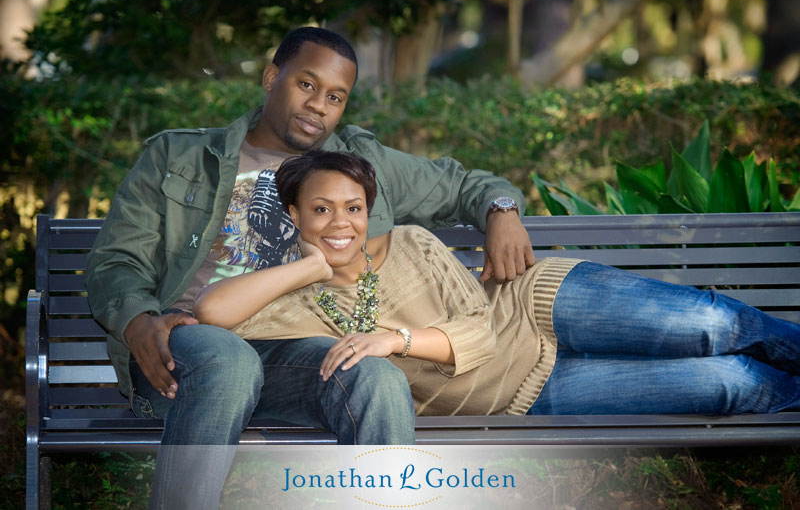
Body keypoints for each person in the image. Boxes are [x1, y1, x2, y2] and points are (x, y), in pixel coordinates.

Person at [85, 26, 533, 509]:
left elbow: (462, 183)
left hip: (289, 353)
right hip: (186, 354)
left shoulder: (357, 165)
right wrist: (137, 323)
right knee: (228, 358)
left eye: (336, 97)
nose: (320, 105)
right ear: (272, 76)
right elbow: (117, 261)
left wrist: (502, 208)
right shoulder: (179, 156)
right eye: (307, 85)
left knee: (375, 378)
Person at [196, 150, 800, 423]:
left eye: (353, 208)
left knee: (713, 326)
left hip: (538, 307)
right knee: (732, 383)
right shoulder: (293, 305)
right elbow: (213, 312)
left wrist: (395, 340)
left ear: (369, 210)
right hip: (521, 393)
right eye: (320, 210)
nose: (340, 224)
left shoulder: (409, 243)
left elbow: (480, 329)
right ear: (295, 216)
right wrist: (308, 268)